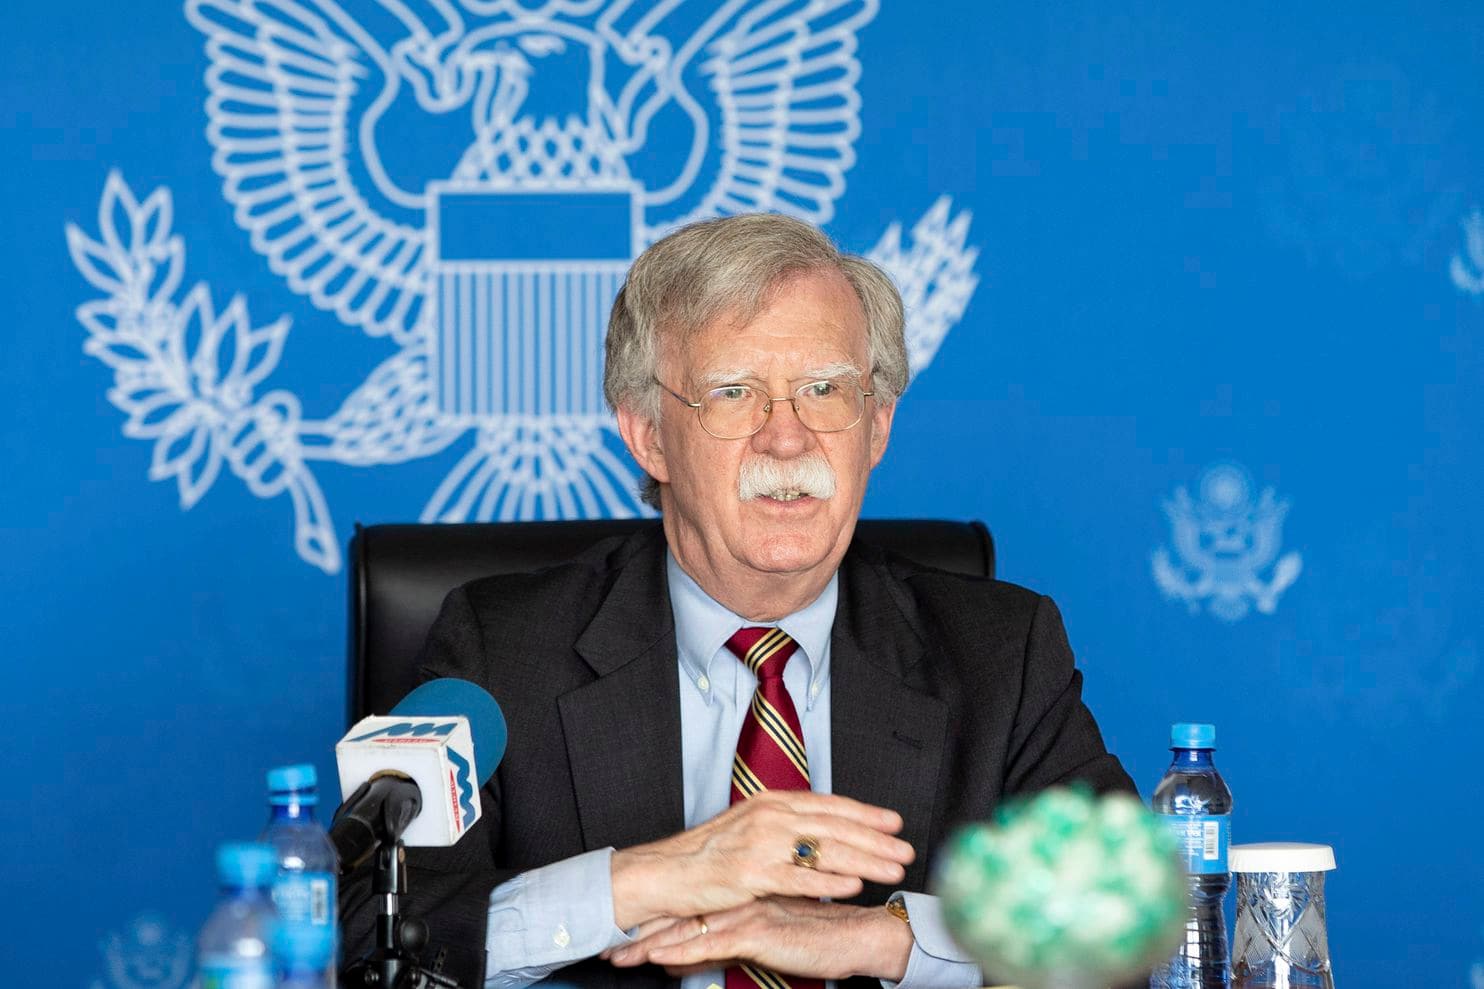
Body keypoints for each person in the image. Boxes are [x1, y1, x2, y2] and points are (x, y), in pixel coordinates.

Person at [340, 213, 1134, 989]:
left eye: (824, 389)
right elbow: (360, 930)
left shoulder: (1001, 653)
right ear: (648, 434)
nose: (786, 438)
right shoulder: (501, 649)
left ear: (877, 425)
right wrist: (647, 878)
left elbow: (1130, 919)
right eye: (733, 393)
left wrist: (886, 937)